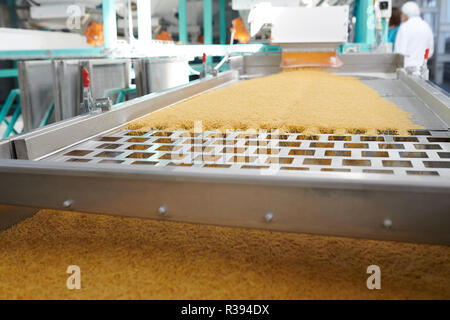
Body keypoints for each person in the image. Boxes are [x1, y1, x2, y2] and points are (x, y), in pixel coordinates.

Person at [394, 1, 434, 68]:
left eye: (402, 14)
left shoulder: (404, 27)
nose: (402, 16)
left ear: (406, 14)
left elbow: (399, 52)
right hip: (422, 69)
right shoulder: (426, 26)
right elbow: (430, 52)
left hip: (406, 69)